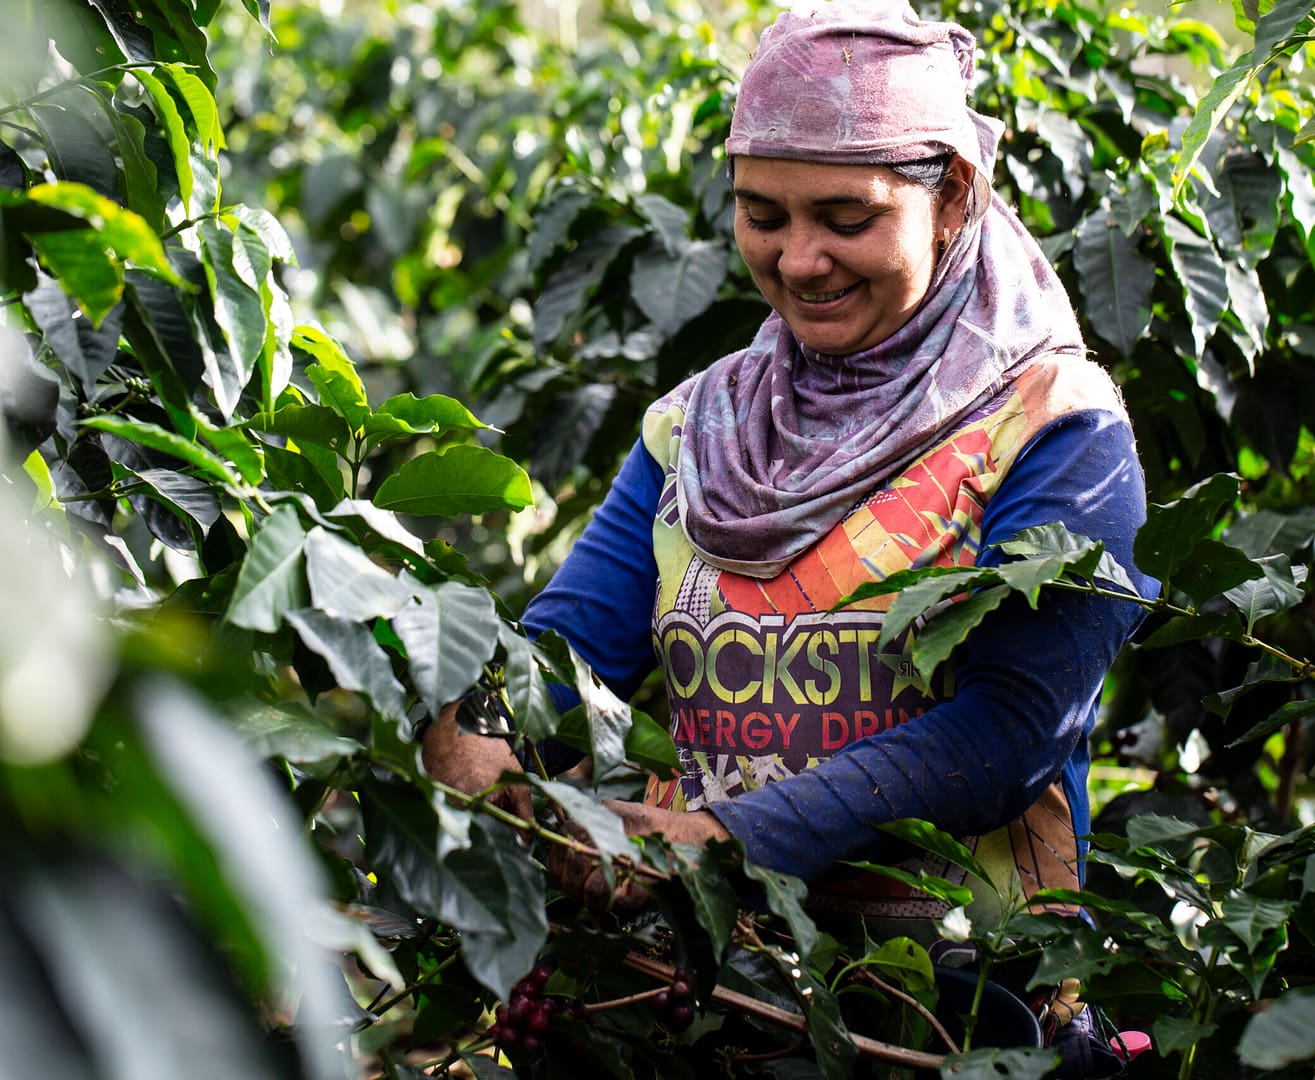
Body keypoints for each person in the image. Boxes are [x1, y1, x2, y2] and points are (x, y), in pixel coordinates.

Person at [426, 0, 1154, 1070]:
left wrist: (725, 844)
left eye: (844, 218)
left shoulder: (1053, 428)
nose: (798, 258)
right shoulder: (695, 431)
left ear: (949, 196)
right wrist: (482, 736)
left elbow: (1008, 732)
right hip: (724, 999)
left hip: (961, 1015)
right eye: (761, 214)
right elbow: (563, 654)